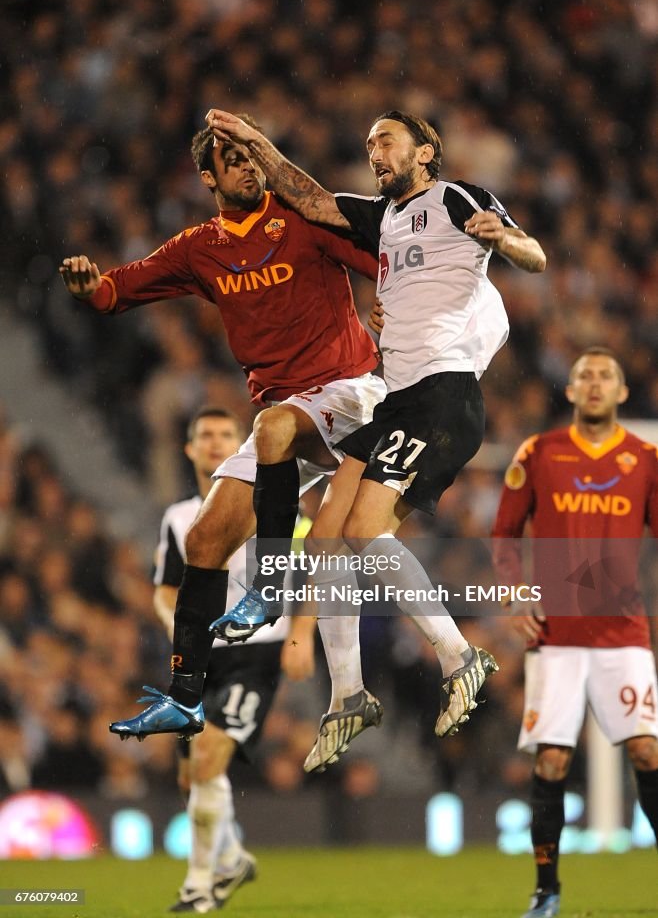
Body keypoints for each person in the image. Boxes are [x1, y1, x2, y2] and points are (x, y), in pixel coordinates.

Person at [204, 107, 546, 768]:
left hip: (443, 397)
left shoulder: (456, 198)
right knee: (329, 528)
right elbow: (306, 195)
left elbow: (533, 253)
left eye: (386, 140)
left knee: (364, 531)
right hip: (399, 397)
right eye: (368, 144)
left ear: (424, 152)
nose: (374, 152)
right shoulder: (380, 219)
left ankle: (458, 655)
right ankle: (349, 695)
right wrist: (256, 143)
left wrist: (503, 241)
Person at [59, 115, 385, 740]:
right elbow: (120, 289)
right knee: (205, 541)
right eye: (229, 157)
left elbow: (379, 258)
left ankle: (266, 588)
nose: (244, 162)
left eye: (249, 152)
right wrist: (90, 288)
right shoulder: (198, 248)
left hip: (351, 390)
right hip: (286, 415)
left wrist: (391, 304)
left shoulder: (302, 218)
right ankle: (185, 697)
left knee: (272, 430)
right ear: (208, 176)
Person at [492, 348, 658, 918]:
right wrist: (514, 595)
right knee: (553, 762)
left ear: (621, 393)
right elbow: (504, 535)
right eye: (584, 374)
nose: (593, 383)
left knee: (646, 749)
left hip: (624, 632)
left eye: (605, 375)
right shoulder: (539, 452)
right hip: (556, 636)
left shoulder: (646, 457)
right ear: (570, 391)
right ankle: (547, 890)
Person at [152, 406, 314, 914]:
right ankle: (232, 857)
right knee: (190, 778)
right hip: (199, 658)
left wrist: (302, 636)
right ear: (191, 449)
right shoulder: (179, 518)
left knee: (208, 756)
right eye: (206, 435)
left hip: (257, 652)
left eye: (227, 434)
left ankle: (199, 884)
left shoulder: (282, 511)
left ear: (241, 443)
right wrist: (178, 630)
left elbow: (316, 574)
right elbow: (164, 592)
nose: (217, 442)